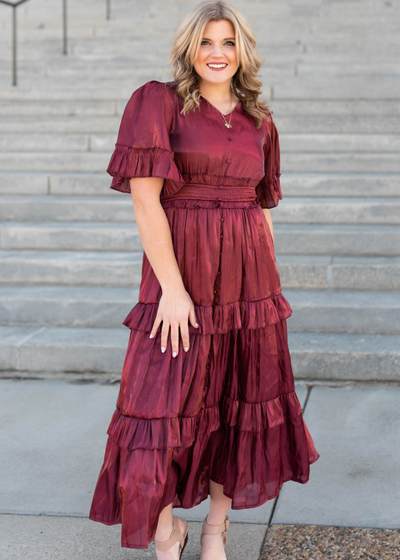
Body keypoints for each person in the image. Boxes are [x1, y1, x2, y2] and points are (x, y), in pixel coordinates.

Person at [89, 1, 320, 558]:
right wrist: (171, 288)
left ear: (243, 51)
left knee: (241, 400)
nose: (218, 53)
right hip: (181, 277)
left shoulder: (260, 121)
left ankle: (216, 528)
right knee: (157, 401)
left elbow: (262, 208)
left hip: (248, 285)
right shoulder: (158, 101)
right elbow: (146, 201)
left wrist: (265, 292)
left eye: (229, 43)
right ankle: (167, 529)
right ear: (190, 48)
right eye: (207, 42)